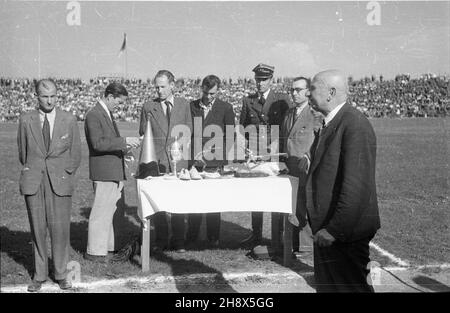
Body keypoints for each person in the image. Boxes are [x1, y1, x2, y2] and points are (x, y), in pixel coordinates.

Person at [302, 69, 381, 292]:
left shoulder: (354, 124)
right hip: (328, 230)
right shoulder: (332, 121)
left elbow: (356, 188)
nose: (309, 94)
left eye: (314, 88)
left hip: (343, 235)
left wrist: (334, 231)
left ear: (331, 93)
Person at [17, 79, 81, 292]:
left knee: (61, 230)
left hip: (59, 183)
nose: (49, 100)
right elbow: (22, 153)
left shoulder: (69, 119)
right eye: (45, 96)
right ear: (37, 97)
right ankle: (40, 275)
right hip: (34, 181)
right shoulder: (26, 120)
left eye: (53, 96)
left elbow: (76, 154)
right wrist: (36, 169)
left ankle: (61, 274)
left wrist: (63, 174)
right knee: (37, 229)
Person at [84, 82, 140, 262]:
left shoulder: (106, 114)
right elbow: (98, 143)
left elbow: (109, 141)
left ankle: (108, 248)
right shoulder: (94, 115)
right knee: (101, 212)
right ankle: (94, 251)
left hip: (113, 170)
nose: (120, 105)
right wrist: (124, 142)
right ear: (109, 97)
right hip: (104, 171)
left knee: (112, 212)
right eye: (119, 101)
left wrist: (125, 151)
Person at [139, 70, 193, 253]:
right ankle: (161, 239)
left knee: (179, 203)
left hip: (179, 160)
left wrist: (181, 153)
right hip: (158, 162)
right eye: (157, 87)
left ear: (172, 85)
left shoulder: (184, 105)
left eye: (163, 86)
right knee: (159, 203)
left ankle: (179, 240)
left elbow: (189, 131)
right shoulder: (148, 106)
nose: (159, 91)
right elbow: (143, 133)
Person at [239, 63, 292, 248]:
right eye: (258, 80)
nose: (260, 83)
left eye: (264, 80)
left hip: (276, 156)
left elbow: (288, 127)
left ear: (271, 80)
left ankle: (277, 236)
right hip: (256, 156)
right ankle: (256, 235)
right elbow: (243, 128)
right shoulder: (248, 101)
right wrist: (247, 147)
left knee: (276, 196)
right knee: (256, 196)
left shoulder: (282, 100)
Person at [185, 75, 235, 248]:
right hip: (195, 162)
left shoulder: (226, 108)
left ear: (218, 91)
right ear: (201, 89)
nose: (208, 97)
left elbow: (230, 136)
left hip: (215, 163)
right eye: (206, 93)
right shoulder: (191, 106)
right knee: (194, 201)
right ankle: (192, 236)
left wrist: (222, 160)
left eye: (212, 93)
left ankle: (213, 238)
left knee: (213, 201)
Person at [280, 77, 320, 256]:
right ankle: (293, 242)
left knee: (304, 205)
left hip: (305, 167)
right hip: (289, 165)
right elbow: (284, 139)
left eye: (298, 90)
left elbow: (321, 140)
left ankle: (305, 246)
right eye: (292, 90)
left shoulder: (315, 114)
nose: (294, 93)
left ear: (308, 91)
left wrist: (309, 155)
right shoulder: (289, 113)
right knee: (293, 206)